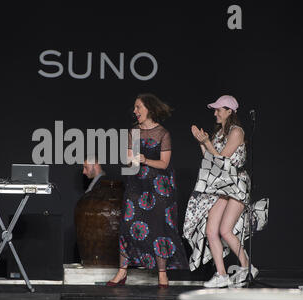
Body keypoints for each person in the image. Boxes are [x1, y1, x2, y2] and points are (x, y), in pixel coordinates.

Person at [183, 95, 268, 288]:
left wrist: (207, 143)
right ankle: (221, 275)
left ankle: (248, 267)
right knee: (211, 230)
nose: (215, 113)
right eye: (215, 109)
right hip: (222, 185)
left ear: (229, 111)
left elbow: (222, 160)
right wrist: (201, 142)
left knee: (225, 230)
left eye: (218, 109)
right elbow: (209, 159)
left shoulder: (237, 131)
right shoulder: (219, 133)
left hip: (236, 184)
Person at [106, 93, 189, 288]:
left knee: (159, 229)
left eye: (138, 107)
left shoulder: (163, 133)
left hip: (159, 187)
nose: (134, 111)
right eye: (134, 108)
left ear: (149, 109)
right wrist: (130, 158)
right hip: (136, 185)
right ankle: (122, 272)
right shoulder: (133, 131)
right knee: (127, 226)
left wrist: (144, 160)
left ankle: (162, 274)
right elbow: (128, 159)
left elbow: (164, 163)